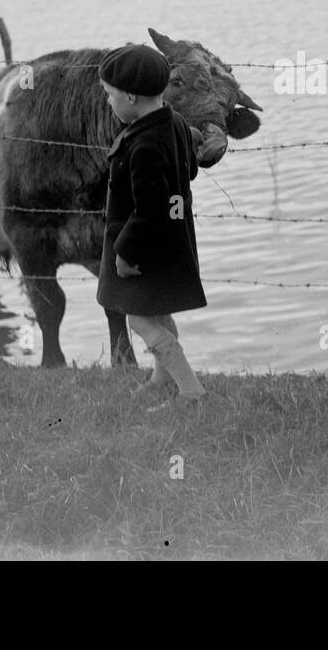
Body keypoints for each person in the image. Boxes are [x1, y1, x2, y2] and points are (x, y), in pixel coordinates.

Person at [96, 43, 207, 405]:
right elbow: (188, 170)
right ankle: (162, 378)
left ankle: (190, 390)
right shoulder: (173, 122)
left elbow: (149, 209)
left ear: (130, 96)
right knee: (159, 311)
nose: (109, 103)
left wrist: (125, 253)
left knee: (141, 321)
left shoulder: (143, 145)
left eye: (111, 96)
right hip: (171, 241)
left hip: (144, 249)